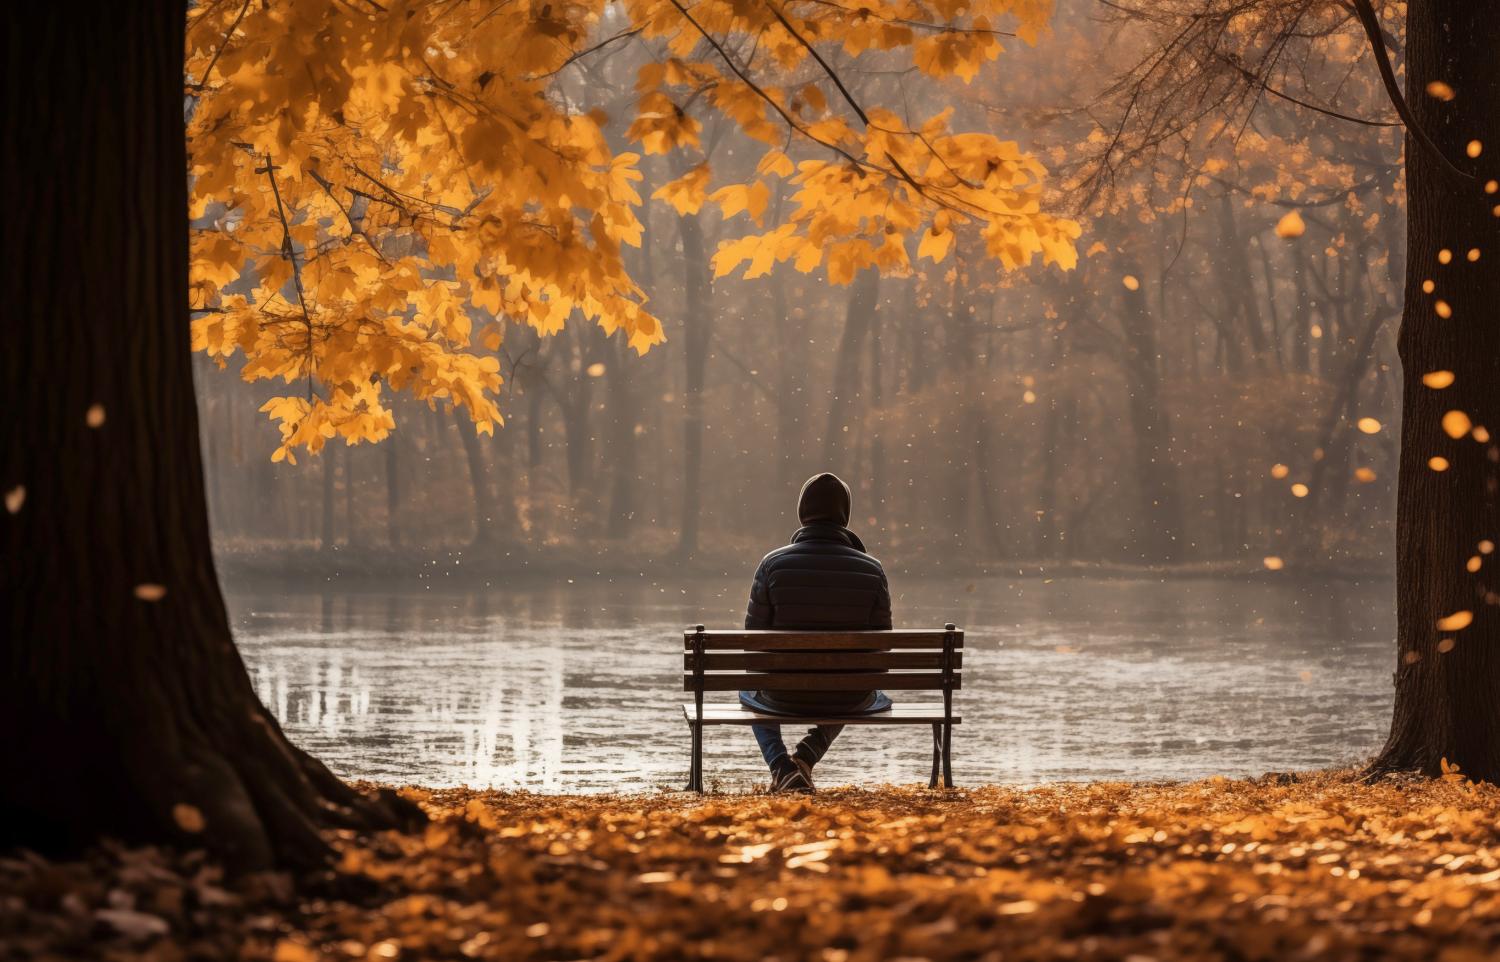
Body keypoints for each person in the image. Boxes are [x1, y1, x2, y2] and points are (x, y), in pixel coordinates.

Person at [740, 472, 892, 793]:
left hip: (783, 694)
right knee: (862, 684)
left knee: (748, 687)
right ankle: (806, 756)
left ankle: (782, 767)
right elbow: (881, 650)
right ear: (845, 516)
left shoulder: (772, 564)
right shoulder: (872, 569)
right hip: (846, 695)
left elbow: (753, 644)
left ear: (802, 513)